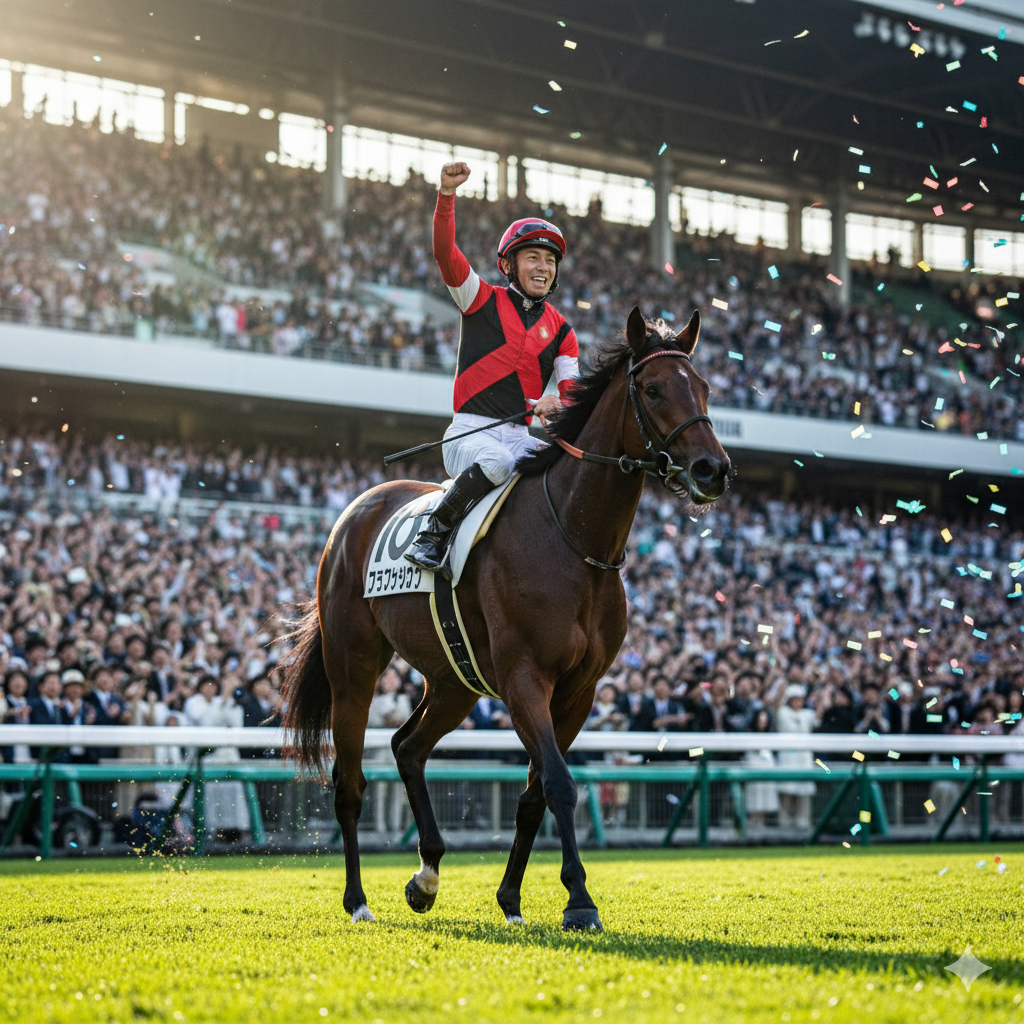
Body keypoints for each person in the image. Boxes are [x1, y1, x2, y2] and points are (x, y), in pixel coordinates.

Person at [405, 160, 580, 574]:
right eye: (533, 257)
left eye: (550, 260)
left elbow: (573, 394)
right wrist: (447, 196)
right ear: (508, 265)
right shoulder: (479, 298)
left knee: (567, 471)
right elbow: (445, 253)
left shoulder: (563, 330)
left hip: (520, 438)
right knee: (498, 463)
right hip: (468, 434)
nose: (543, 267)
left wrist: (559, 405)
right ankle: (433, 533)